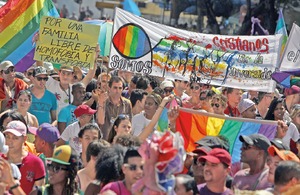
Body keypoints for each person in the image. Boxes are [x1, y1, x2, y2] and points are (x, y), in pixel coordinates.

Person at [3, 121, 45, 194]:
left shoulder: (36, 163)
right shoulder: (1, 159)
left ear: (25, 139)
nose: (10, 141)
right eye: (7, 137)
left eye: (15, 138)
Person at [97, 76, 132, 140]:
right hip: (105, 141)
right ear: (109, 88)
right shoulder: (103, 101)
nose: (117, 91)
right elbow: (100, 121)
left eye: (120, 88)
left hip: (121, 141)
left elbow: (129, 123)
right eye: (115, 88)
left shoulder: (127, 103)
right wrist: (101, 103)